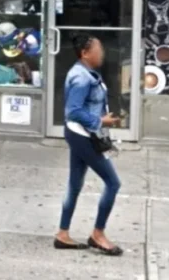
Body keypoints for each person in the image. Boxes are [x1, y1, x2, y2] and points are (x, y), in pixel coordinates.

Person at [55, 34, 124, 256]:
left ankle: (62, 234)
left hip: (81, 134)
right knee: (113, 183)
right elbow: (73, 111)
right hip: (83, 136)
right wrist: (99, 121)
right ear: (85, 53)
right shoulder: (82, 77)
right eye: (98, 49)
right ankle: (98, 234)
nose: (102, 53)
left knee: (75, 183)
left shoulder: (86, 72)